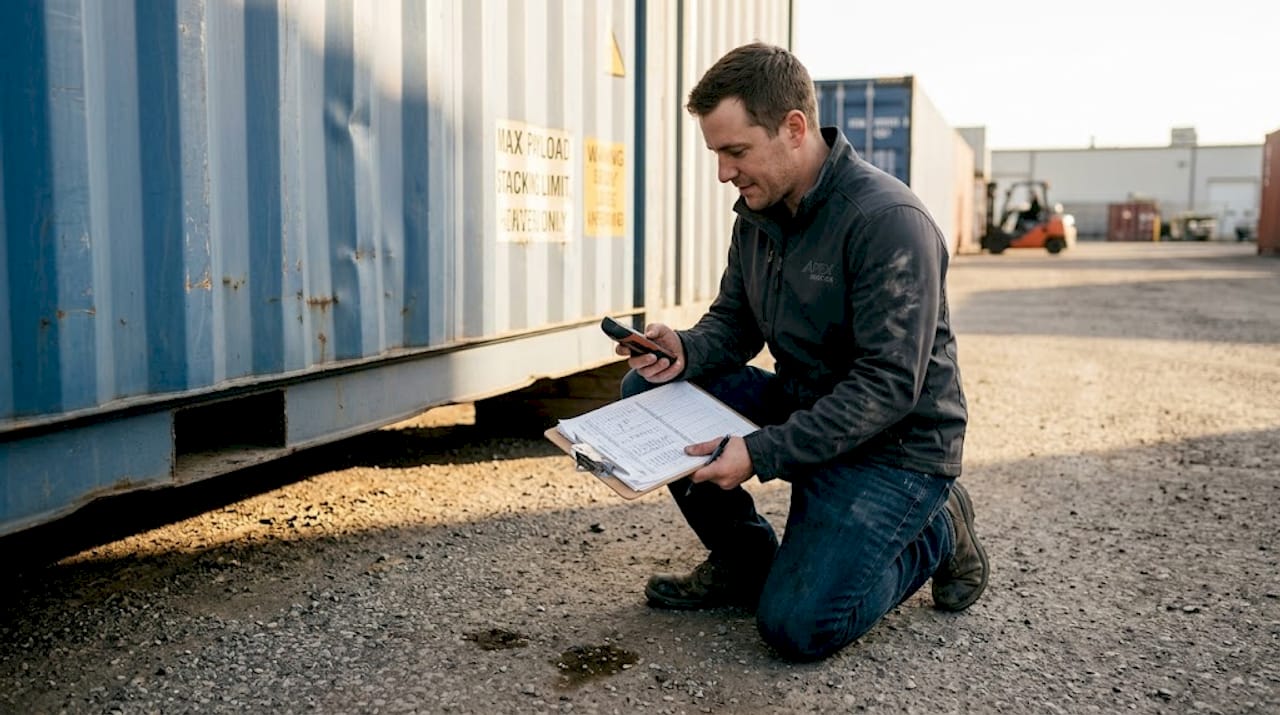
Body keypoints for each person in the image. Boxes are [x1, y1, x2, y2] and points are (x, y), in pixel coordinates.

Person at [615, 42, 989, 662]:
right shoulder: (758, 216)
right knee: (648, 393)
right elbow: (734, 324)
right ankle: (745, 562)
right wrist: (683, 348)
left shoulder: (887, 220)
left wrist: (760, 452)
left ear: (794, 128)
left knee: (798, 628)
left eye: (735, 152)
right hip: (807, 409)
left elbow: (888, 387)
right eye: (716, 153)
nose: (724, 173)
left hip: (894, 448)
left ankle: (939, 529)